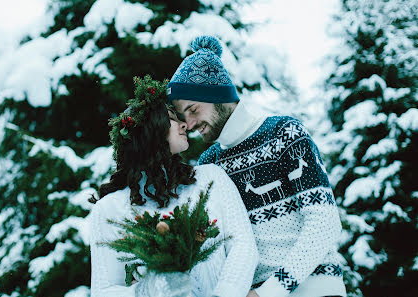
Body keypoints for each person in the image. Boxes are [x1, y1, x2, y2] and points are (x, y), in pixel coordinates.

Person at [168, 36, 347, 297]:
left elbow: (325, 223)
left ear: (217, 96)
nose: (191, 124)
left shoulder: (284, 134)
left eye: (193, 109)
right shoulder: (209, 163)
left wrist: (271, 291)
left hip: (314, 288)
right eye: (184, 117)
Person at [89, 76, 258, 297]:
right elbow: (104, 291)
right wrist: (146, 291)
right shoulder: (110, 209)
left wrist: (225, 293)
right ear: (150, 131)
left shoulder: (211, 179)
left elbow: (243, 246)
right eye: (172, 118)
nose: (185, 124)